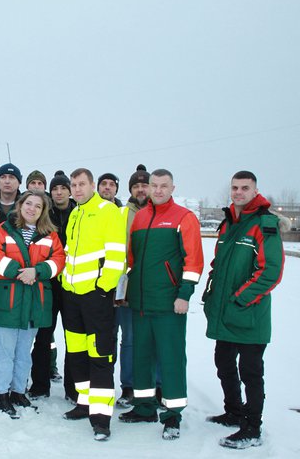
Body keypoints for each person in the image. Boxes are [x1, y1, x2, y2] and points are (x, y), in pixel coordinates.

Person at [202, 171, 285, 449]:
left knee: (250, 372)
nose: (238, 192)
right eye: (234, 188)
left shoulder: (264, 224)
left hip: (249, 314)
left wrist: (240, 298)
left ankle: (252, 427)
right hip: (225, 312)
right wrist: (212, 294)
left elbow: (270, 271)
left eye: (244, 188)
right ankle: (234, 412)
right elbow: (219, 265)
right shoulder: (229, 224)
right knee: (223, 363)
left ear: (255, 190)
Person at [120, 168, 204, 441]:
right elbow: (133, 259)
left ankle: (172, 415)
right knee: (142, 357)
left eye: (163, 185)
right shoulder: (141, 217)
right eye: (153, 185)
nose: (157, 190)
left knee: (171, 360)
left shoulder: (184, 217)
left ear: (172, 187)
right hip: (141, 303)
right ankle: (144, 407)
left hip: (169, 304)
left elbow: (193, 261)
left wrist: (184, 294)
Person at [0, 190, 65, 418]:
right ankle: (2, 395)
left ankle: (18, 392)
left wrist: (37, 271)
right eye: (28, 204)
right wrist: (19, 272)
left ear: (43, 212)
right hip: (8, 301)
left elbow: (59, 260)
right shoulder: (4, 229)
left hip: (33, 303)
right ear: (20, 206)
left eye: (37, 206)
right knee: (5, 352)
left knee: (23, 353)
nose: (32, 209)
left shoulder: (50, 235)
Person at [60, 168, 126, 441]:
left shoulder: (107, 210)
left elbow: (116, 255)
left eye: (81, 184)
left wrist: (103, 287)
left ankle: (101, 419)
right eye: (73, 184)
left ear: (92, 185)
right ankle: (83, 403)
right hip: (72, 296)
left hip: (96, 297)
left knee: (100, 357)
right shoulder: (75, 212)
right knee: (77, 354)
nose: (76, 189)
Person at [28, 170, 75, 401]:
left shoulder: (78, 211)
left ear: (69, 190)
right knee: (43, 336)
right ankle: (39, 384)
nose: (58, 192)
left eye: (63, 188)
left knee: (73, 337)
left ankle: (73, 387)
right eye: (55, 188)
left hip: (73, 285)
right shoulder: (43, 212)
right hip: (47, 283)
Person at [115, 164, 151, 408]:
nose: (140, 189)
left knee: (152, 339)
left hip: (153, 287)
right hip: (127, 285)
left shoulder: (159, 212)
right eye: (136, 186)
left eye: (144, 185)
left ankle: (154, 387)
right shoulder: (120, 214)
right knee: (128, 339)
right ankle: (127, 387)